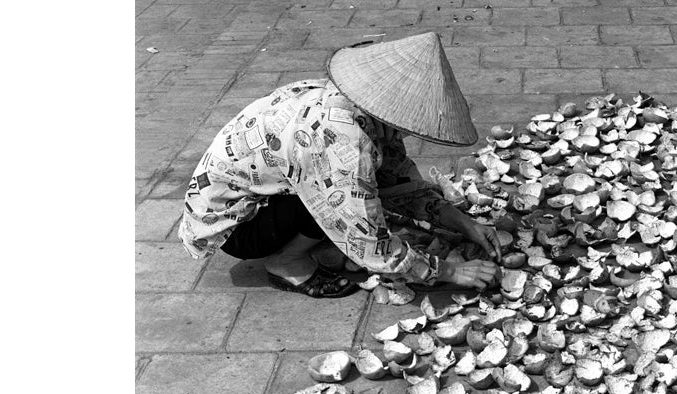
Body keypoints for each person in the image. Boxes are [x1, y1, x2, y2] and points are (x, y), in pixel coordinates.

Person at [178, 32, 500, 297]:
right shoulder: (343, 141)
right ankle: (286, 262)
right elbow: (373, 245)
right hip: (235, 226)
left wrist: (462, 223)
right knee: (340, 200)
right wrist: (451, 271)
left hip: (260, 193)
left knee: (357, 188)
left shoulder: (363, 109)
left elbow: (400, 182)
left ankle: (308, 241)